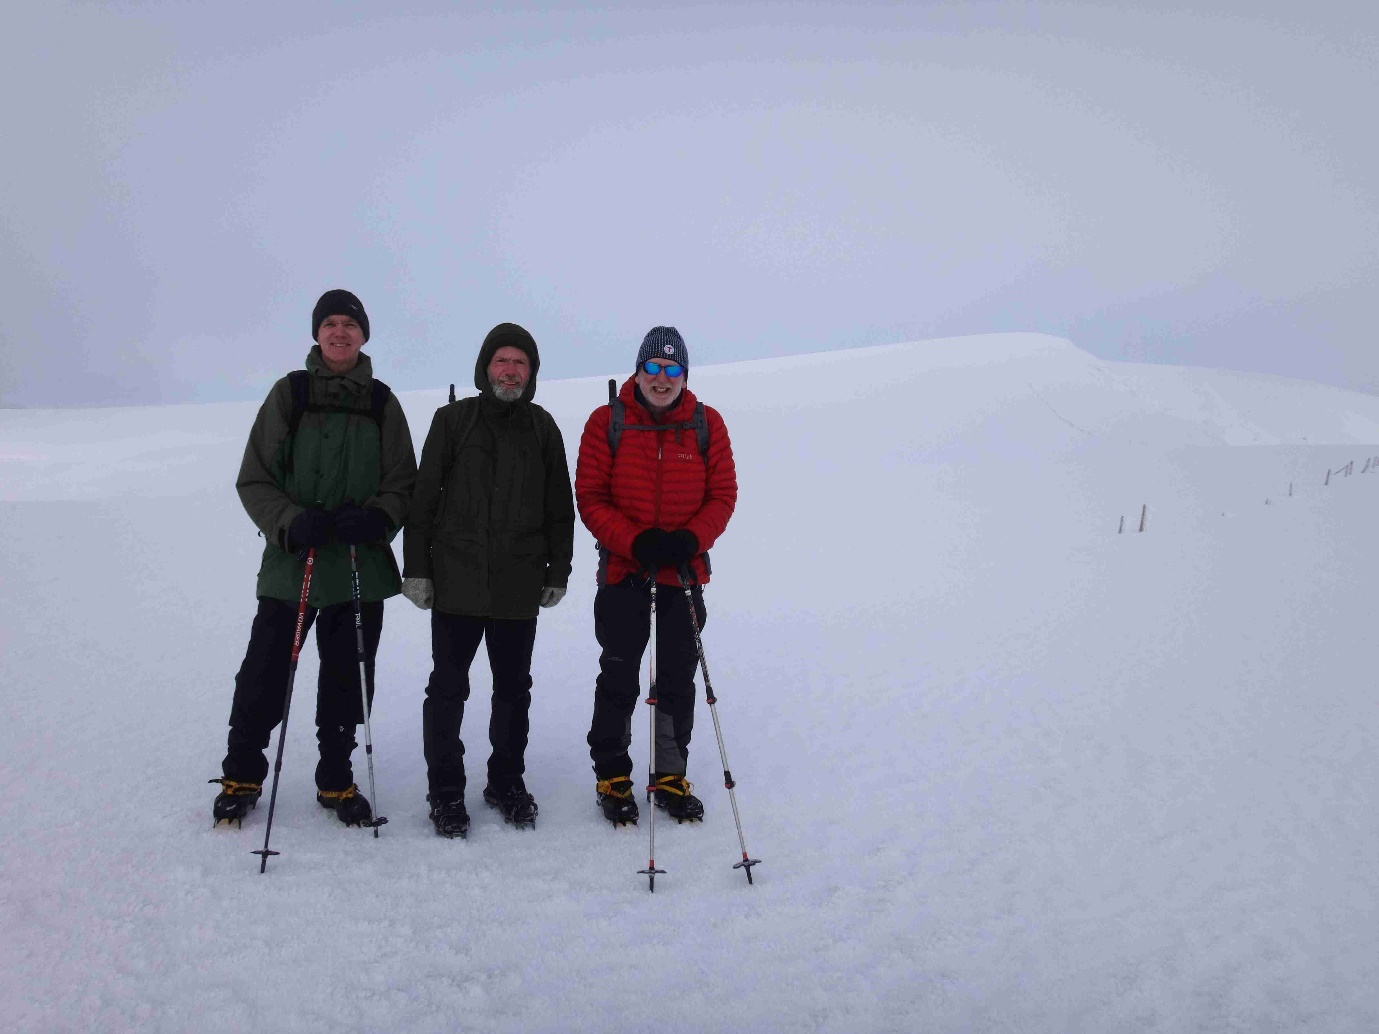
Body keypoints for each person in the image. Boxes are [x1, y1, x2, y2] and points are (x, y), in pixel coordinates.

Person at [211, 289, 417, 828]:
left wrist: (377, 518)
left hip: (357, 563)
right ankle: (242, 775)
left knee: (349, 675)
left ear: (363, 335)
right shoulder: (291, 394)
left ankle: (335, 778)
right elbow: (254, 476)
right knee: (264, 671)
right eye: (330, 323)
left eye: (349, 323)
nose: (339, 332)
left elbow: (403, 482)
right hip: (293, 558)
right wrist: (289, 521)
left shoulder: (382, 402)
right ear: (317, 333)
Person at [401, 323, 575, 839]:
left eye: (520, 363)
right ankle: (445, 792)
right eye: (502, 360)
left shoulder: (543, 428)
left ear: (532, 373)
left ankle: (505, 783)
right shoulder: (453, 421)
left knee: (513, 692)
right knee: (448, 690)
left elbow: (559, 510)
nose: (510, 370)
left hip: (519, 587)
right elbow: (423, 501)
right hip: (456, 583)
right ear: (485, 367)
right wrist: (417, 569)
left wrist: (558, 571)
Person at [574, 326, 737, 825]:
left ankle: (669, 774)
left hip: (682, 575)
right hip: (625, 572)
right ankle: (612, 773)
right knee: (620, 673)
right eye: (653, 368)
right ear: (638, 371)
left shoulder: (707, 424)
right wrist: (635, 541)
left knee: (676, 679)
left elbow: (723, 495)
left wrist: (690, 540)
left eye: (672, 370)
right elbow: (591, 496)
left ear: (684, 375)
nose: (661, 379)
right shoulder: (608, 422)